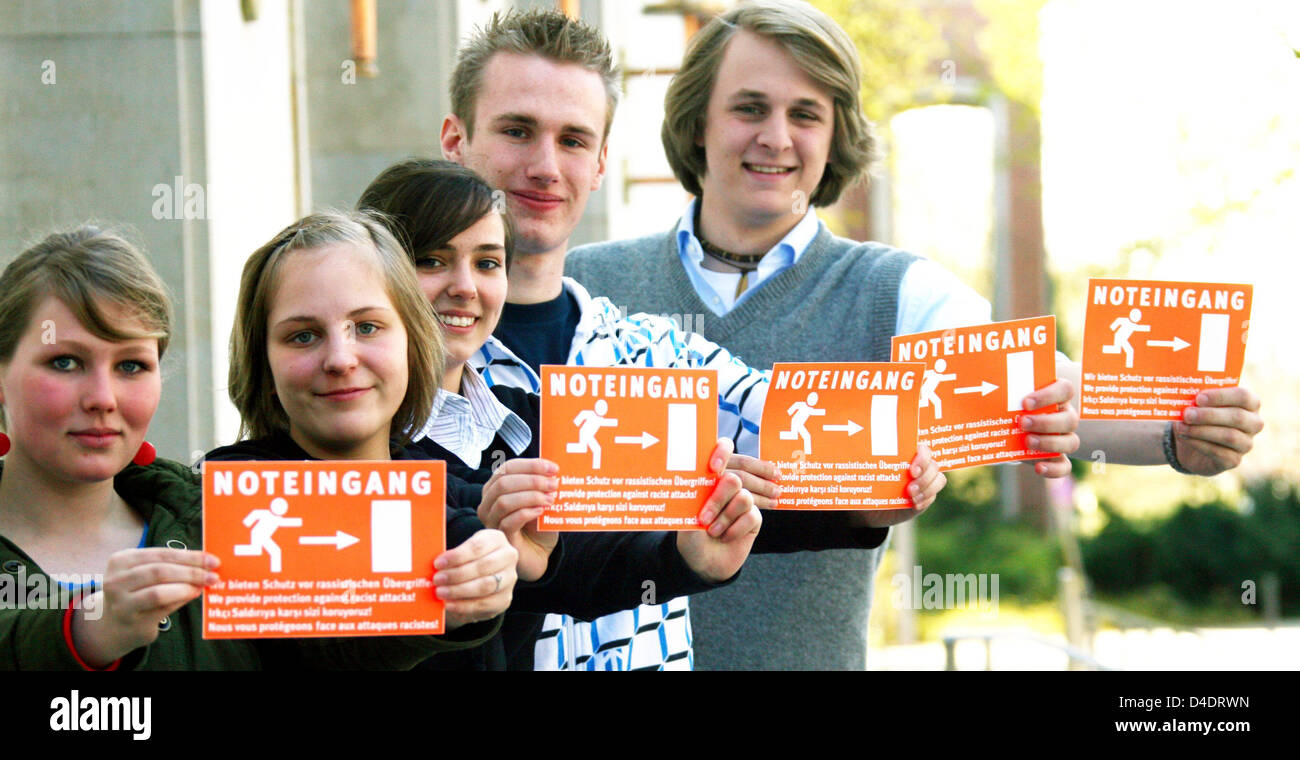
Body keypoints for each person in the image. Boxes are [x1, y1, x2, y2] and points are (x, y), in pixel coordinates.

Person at [564, 0, 1263, 669]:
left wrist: (1180, 433)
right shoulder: (586, 286)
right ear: (696, 125)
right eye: (750, 107)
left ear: (833, 135)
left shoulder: (891, 294)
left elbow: (1040, 388)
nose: (776, 136)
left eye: (805, 114)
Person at [438, 8, 970, 669]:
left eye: (574, 140)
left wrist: (884, 487)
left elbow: (804, 447)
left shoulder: (661, 355)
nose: (545, 166)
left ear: (602, 162)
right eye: (518, 131)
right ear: (455, 140)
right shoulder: (387, 359)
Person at [0, 225, 498, 670]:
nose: (103, 399)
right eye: (65, 362)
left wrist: (437, 610)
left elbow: (320, 648)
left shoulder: (214, 513)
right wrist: (82, 635)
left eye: (131, 365)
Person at [355, 159, 764, 669]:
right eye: (433, 261)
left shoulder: (532, 417)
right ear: (372, 276)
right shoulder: (346, 438)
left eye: (487, 263)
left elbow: (590, 557)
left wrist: (690, 558)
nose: (465, 287)